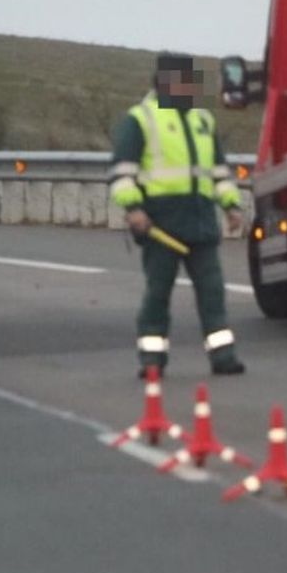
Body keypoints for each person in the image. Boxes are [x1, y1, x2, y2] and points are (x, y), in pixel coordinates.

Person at [109, 53, 246, 376]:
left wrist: (230, 205)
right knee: (158, 294)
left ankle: (223, 356)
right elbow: (122, 172)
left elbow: (219, 171)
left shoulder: (202, 120)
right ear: (163, 82)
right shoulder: (140, 119)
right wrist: (133, 209)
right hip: (161, 225)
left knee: (212, 292)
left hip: (200, 223)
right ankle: (152, 359)